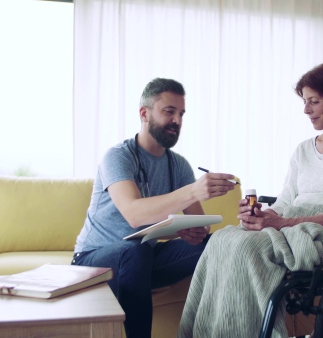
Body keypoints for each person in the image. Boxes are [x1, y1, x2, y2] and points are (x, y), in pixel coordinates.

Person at [177, 63, 323, 338]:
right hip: (293, 220)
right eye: (305, 101)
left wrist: (283, 221)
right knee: (222, 239)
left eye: (314, 101)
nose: (306, 110)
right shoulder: (303, 150)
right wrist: (261, 215)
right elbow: (285, 201)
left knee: (246, 249)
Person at [72, 78, 237, 338]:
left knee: (218, 244)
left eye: (181, 114)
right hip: (94, 260)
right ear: (144, 113)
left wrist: (194, 232)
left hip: (143, 260)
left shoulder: (179, 165)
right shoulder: (118, 156)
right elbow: (134, 214)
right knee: (134, 252)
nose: (177, 120)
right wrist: (193, 189)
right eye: (169, 111)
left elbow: (198, 225)